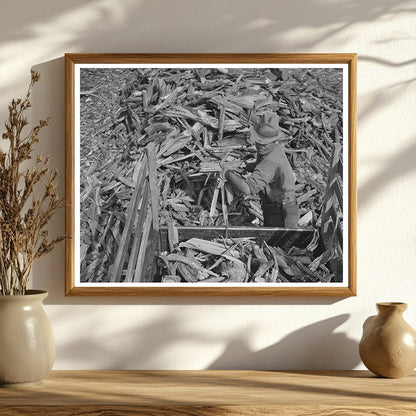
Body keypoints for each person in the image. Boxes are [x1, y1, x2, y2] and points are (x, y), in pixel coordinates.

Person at [220, 111, 299, 228]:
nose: (261, 146)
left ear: (274, 140)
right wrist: (245, 167)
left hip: (282, 212)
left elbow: (247, 190)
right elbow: (262, 167)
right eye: (259, 142)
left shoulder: (270, 162)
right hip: (276, 207)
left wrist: (227, 174)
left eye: (265, 143)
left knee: (281, 244)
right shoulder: (273, 149)